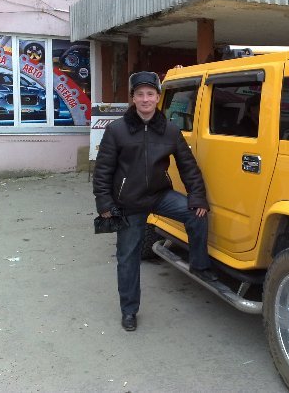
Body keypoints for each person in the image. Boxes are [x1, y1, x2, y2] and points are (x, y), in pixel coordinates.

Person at [92, 71, 217, 332]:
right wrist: (105, 203)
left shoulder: (170, 130)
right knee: (128, 257)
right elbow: (102, 170)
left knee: (196, 213)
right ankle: (129, 310)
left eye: (150, 94)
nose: (145, 99)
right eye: (140, 94)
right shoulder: (117, 130)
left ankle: (199, 266)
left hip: (160, 195)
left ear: (158, 97)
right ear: (133, 98)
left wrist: (197, 197)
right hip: (128, 202)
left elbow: (188, 167)